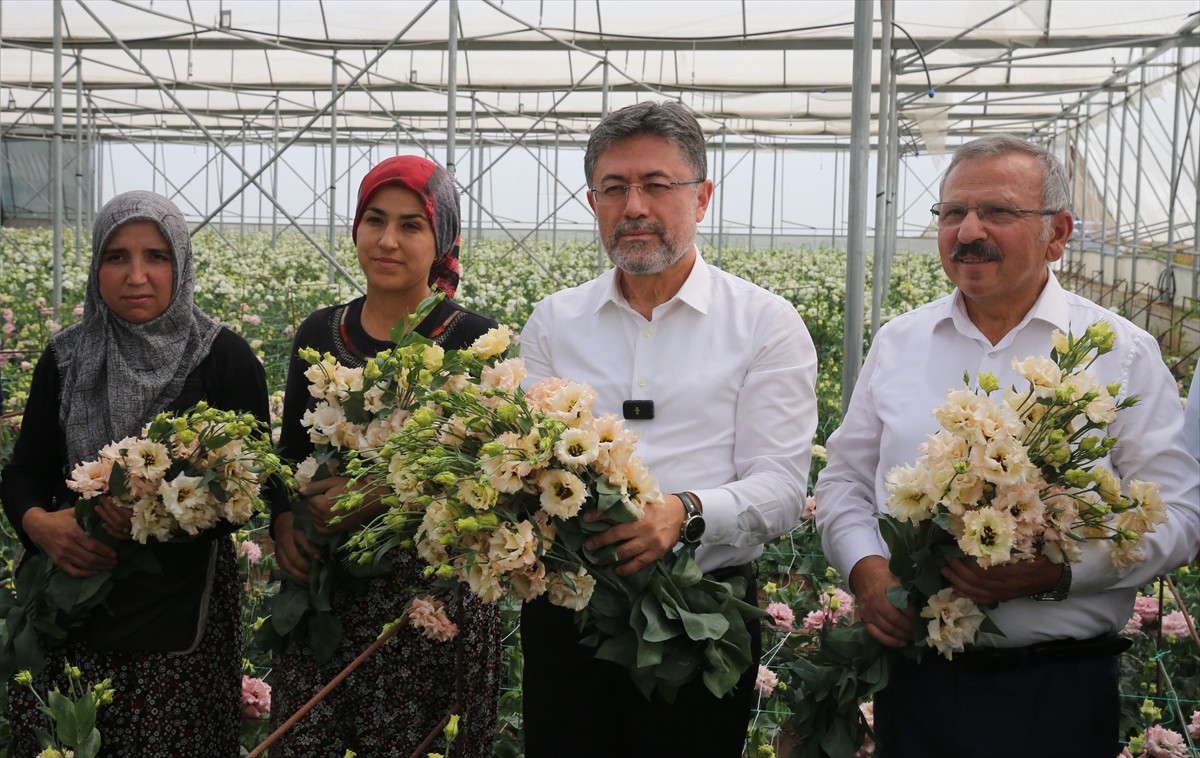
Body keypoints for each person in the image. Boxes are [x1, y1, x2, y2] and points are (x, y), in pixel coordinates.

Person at [815, 134, 1200, 758]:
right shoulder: (900, 342)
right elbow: (844, 482)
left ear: (1058, 232)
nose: (968, 231)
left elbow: (1181, 518)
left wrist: (1061, 573)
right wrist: (867, 570)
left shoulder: (1119, 353)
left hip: (1059, 690)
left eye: (997, 212)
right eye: (951, 213)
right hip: (916, 683)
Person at [518, 100, 818, 758]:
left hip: (700, 615)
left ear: (702, 197)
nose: (634, 207)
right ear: (593, 200)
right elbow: (524, 461)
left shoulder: (763, 324)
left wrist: (684, 513)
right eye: (614, 188)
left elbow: (781, 485)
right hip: (569, 612)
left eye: (657, 185)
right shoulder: (554, 323)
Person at [1, 190, 280, 754]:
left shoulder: (224, 359)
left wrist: (162, 514)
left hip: (178, 615)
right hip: (71, 600)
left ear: (180, 263)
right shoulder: (65, 358)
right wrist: (39, 524)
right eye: (116, 256)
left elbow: (253, 488)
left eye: (156, 256)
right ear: (96, 267)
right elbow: (25, 470)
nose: (136, 275)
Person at [268, 155, 502, 757]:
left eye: (411, 225)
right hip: (328, 592)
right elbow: (291, 456)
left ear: (441, 238)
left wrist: (380, 496)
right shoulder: (321, 333)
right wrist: (286, 520)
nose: (388, 240)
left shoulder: (473, 338)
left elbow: (493, 475)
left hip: (429, 604)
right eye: (374, 220)